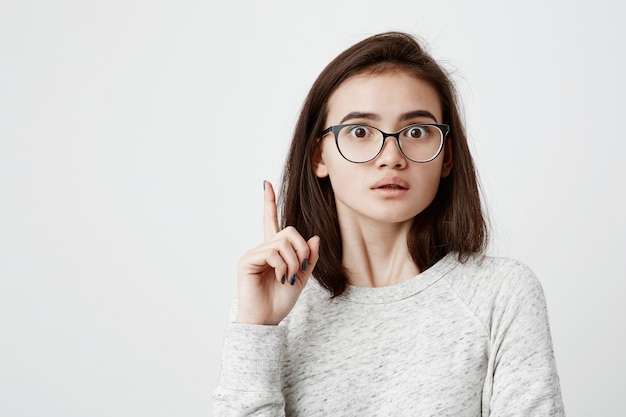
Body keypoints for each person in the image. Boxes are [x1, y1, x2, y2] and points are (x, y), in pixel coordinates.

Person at [213, 31, 565, 416]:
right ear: (319, 156)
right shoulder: (271, 304)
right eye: (360, 131)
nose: (391, 156)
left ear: (446, 157)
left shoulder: (501, 295)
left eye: (416, 132)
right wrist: (257, 328)